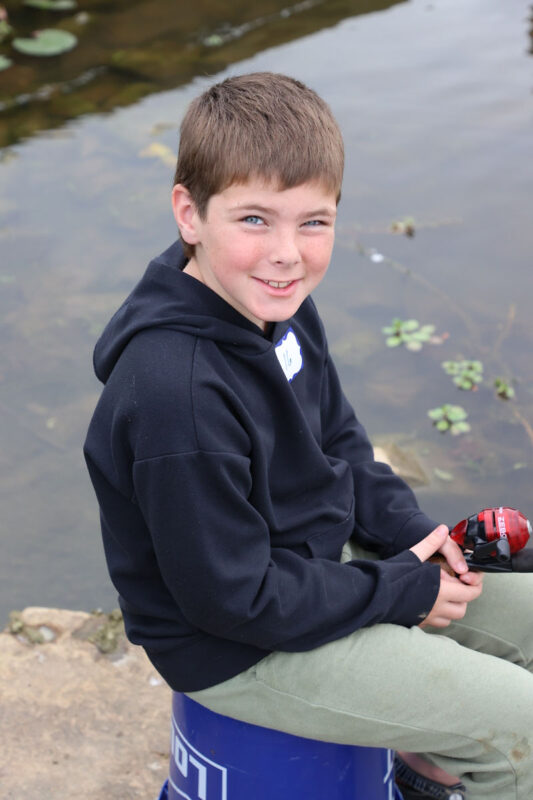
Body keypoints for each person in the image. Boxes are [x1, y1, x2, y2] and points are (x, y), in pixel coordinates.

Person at [84, 73, 533, 800]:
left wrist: (415, 538)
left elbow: (340, 444)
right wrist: (399, 591)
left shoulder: (270, 305)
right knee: (523, 729)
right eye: (254, 220)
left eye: (313, 222)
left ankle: (423, 773)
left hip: (314, 562)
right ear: (188, 214)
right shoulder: (179, 395)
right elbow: (232, 599)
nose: (287, 253)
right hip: (236, 645)